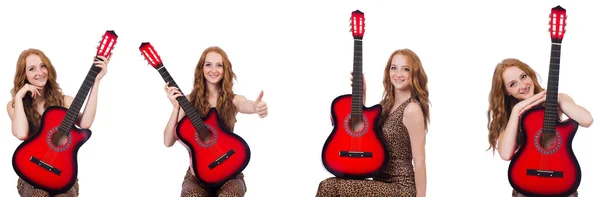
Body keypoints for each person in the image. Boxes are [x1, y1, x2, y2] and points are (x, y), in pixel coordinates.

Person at [316, 48, 429, 197]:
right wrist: (361, 96)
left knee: (329, 186)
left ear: (414, 73)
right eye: (393, 68)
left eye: (405, 69)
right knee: (331, 184)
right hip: (379, 182)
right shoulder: (386, 105)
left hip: (400, 188)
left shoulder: (411, 109)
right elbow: (362, 133)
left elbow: (420, 161)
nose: (398, 74)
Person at [163, 46, 268, 197]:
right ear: (201, 68)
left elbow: (246, 104)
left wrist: (257, 107)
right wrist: (176, 108)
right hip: (198, 175)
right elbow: (167, 141)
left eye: (219, 65)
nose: (214, 70)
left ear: (226, 70)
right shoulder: (188, 101)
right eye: (208, 64)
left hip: (231, 172)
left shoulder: (233, 99)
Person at [7, 48, 110, 197]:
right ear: (24, 75)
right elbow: (21, 134)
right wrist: (19, 97)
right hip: (30, 172)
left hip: (62, 174)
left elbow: (85, 124)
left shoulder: (65, 101)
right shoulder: (15, 106)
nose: (40, 72)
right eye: (32, 69)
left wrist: (96, 81)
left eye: (43, 66)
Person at [486, 58, 594, 197]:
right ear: (507, 91)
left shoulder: (559, 99)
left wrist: (555, 97)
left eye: (523, 76)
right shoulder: (507, 114)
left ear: (530, 74)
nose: (523, 85)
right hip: (527, 181)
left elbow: (587, 120)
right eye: (513, 84)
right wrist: (516, 110)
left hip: (561, 179)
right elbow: (506, 154)